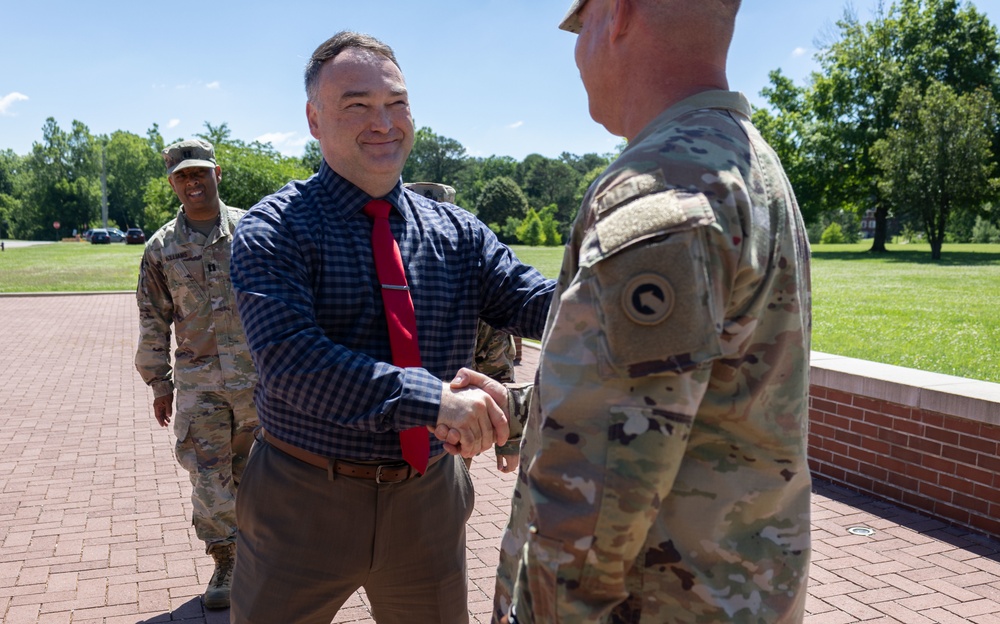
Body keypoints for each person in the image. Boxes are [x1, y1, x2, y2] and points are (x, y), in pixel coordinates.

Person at [463, 1, 814, 622]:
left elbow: (598, 498)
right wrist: (526, 409)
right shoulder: (741, 161)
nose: (577, 53)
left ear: (617, 14)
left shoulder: (664, 187)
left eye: (579, 27)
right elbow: (691, 389)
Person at [228, 32, 555, 623]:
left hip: (427, 501)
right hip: (302, 498)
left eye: (396, 103)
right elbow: (292, 362)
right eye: (356, 105)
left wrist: (621, 290)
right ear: (313, 119)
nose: (383, 122)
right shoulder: (275, 229)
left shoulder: (458, 233)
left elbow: (536, 301)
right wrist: (434, 402)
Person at [134, 138, 257, 610]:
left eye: (199, 173)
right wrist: (158, 383)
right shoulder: (161, 248)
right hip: (199, 386)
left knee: (262, 472)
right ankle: (225, 558)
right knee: (209, 477)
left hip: (257, 382)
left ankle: (264, 555)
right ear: (172, 183)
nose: (192, 182)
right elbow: (152, 318)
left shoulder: (253, 231)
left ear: (217, 173)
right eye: (182, 176)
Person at [405, 181, 523, 474]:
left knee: (446, 513)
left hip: (453, 436)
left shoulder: (471, 277)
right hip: (373, 435)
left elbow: (496, 363)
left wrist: (508, 441)